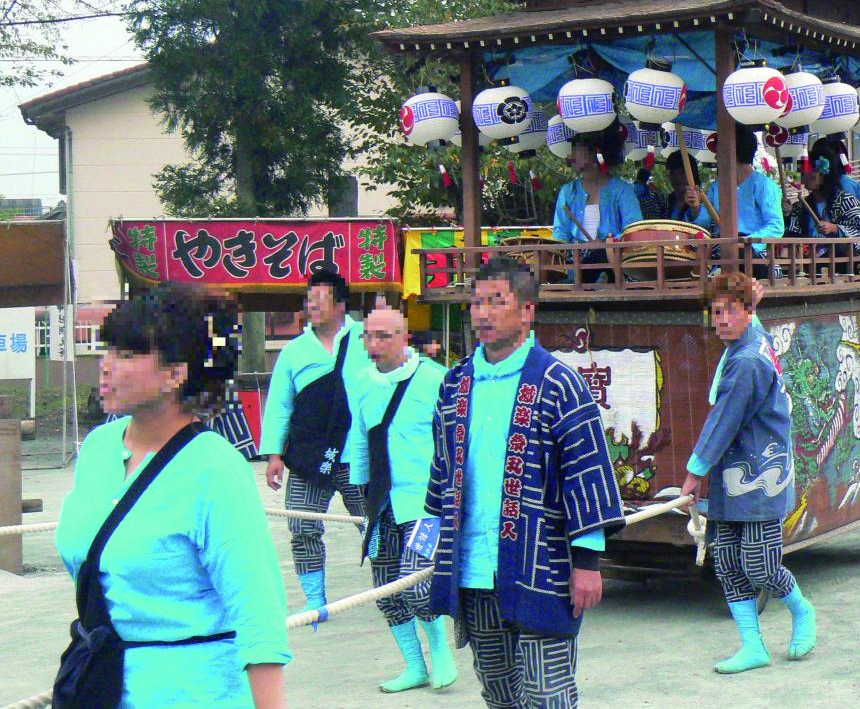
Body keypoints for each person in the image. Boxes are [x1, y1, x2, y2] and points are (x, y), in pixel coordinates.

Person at [56, 285, 290, 706]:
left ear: (175, 374)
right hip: (98, 685)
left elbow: (260, 617)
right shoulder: (97, 449)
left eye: (127, 355)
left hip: (193, 691)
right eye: (108, 350)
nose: (105, 366)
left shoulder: (214, 469)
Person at [423, 257, 626, 708]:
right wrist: (423, 554)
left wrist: (588, 562)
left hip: (543, 568)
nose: (484, 312)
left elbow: (586, 473)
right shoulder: (455, 383)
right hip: (474, 572)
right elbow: (441, 474)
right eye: (477, 302)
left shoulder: (558, 383)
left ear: (528, 310)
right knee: (497, 692)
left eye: (498, 301)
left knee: (547, 693)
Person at [680, 271, 815, 673]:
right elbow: (724, 421)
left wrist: (693, 472)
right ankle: (753, 645)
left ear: (748, 312)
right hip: (732, 474)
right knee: (725, 561)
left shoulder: (748, 362)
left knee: (760, 564)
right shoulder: (750, 338)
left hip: (761, 474)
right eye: (716, 312)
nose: (721, 320)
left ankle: (802, 609)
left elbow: (724, 420)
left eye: (730, 311)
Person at [344, 307, 457, 693]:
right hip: (380, 501)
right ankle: (414, 665)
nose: (374, 344)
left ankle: (441, 652)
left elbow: (455, 442)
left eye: (384, 336)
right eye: (368, 336)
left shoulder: (435, 379)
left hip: (425, 502)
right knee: (385, 587)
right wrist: (359, 494)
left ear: (404, 336)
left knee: (416, 580)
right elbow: (359, 437)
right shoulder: (360, 381)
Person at [260, 267, 372, 611]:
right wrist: (274, 455)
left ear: (341, 305)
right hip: (310, 455)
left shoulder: (367, 338)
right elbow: (280, 404)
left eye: (319, 300)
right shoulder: (294, 351)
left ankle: (396, 588)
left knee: (375, 523)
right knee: (302, 525)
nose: (312, 306)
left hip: (357, 452)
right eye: (308, 300)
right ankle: (315, 602)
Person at [688, 122, 785, 254]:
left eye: (719, 152)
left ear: (734, 152)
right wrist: (695, 206)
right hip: (722, 251)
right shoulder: (717, 186)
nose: (716, 157)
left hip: (755, 254)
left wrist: (745, 243)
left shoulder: (764, 185)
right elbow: (704, 221)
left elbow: (775, 227)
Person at [552, 121, 642, 246]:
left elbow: (634, 230)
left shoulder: (622, 190)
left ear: (596, 152)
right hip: (575, 261)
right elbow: (560, 234)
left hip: (612, 260)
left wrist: (605, 243)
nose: (570, 156)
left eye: (576, 150)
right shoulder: (567, 191)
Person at [783, 136, 860, 241]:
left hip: (845, 256)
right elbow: (792, 233)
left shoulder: (845, 200)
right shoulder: (800, 206)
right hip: (811, 256)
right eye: (801, 173)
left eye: (807, 173)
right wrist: (787, 214)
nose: (803, 177)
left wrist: (835, 229)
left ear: (822, 174)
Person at [658, 149, 704, 221]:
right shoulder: (664, 203)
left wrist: (696, 208)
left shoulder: (705, 202)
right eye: (673, 173)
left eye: (682, 173)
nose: (678, 178)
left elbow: (706, 225)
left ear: (693, 174)